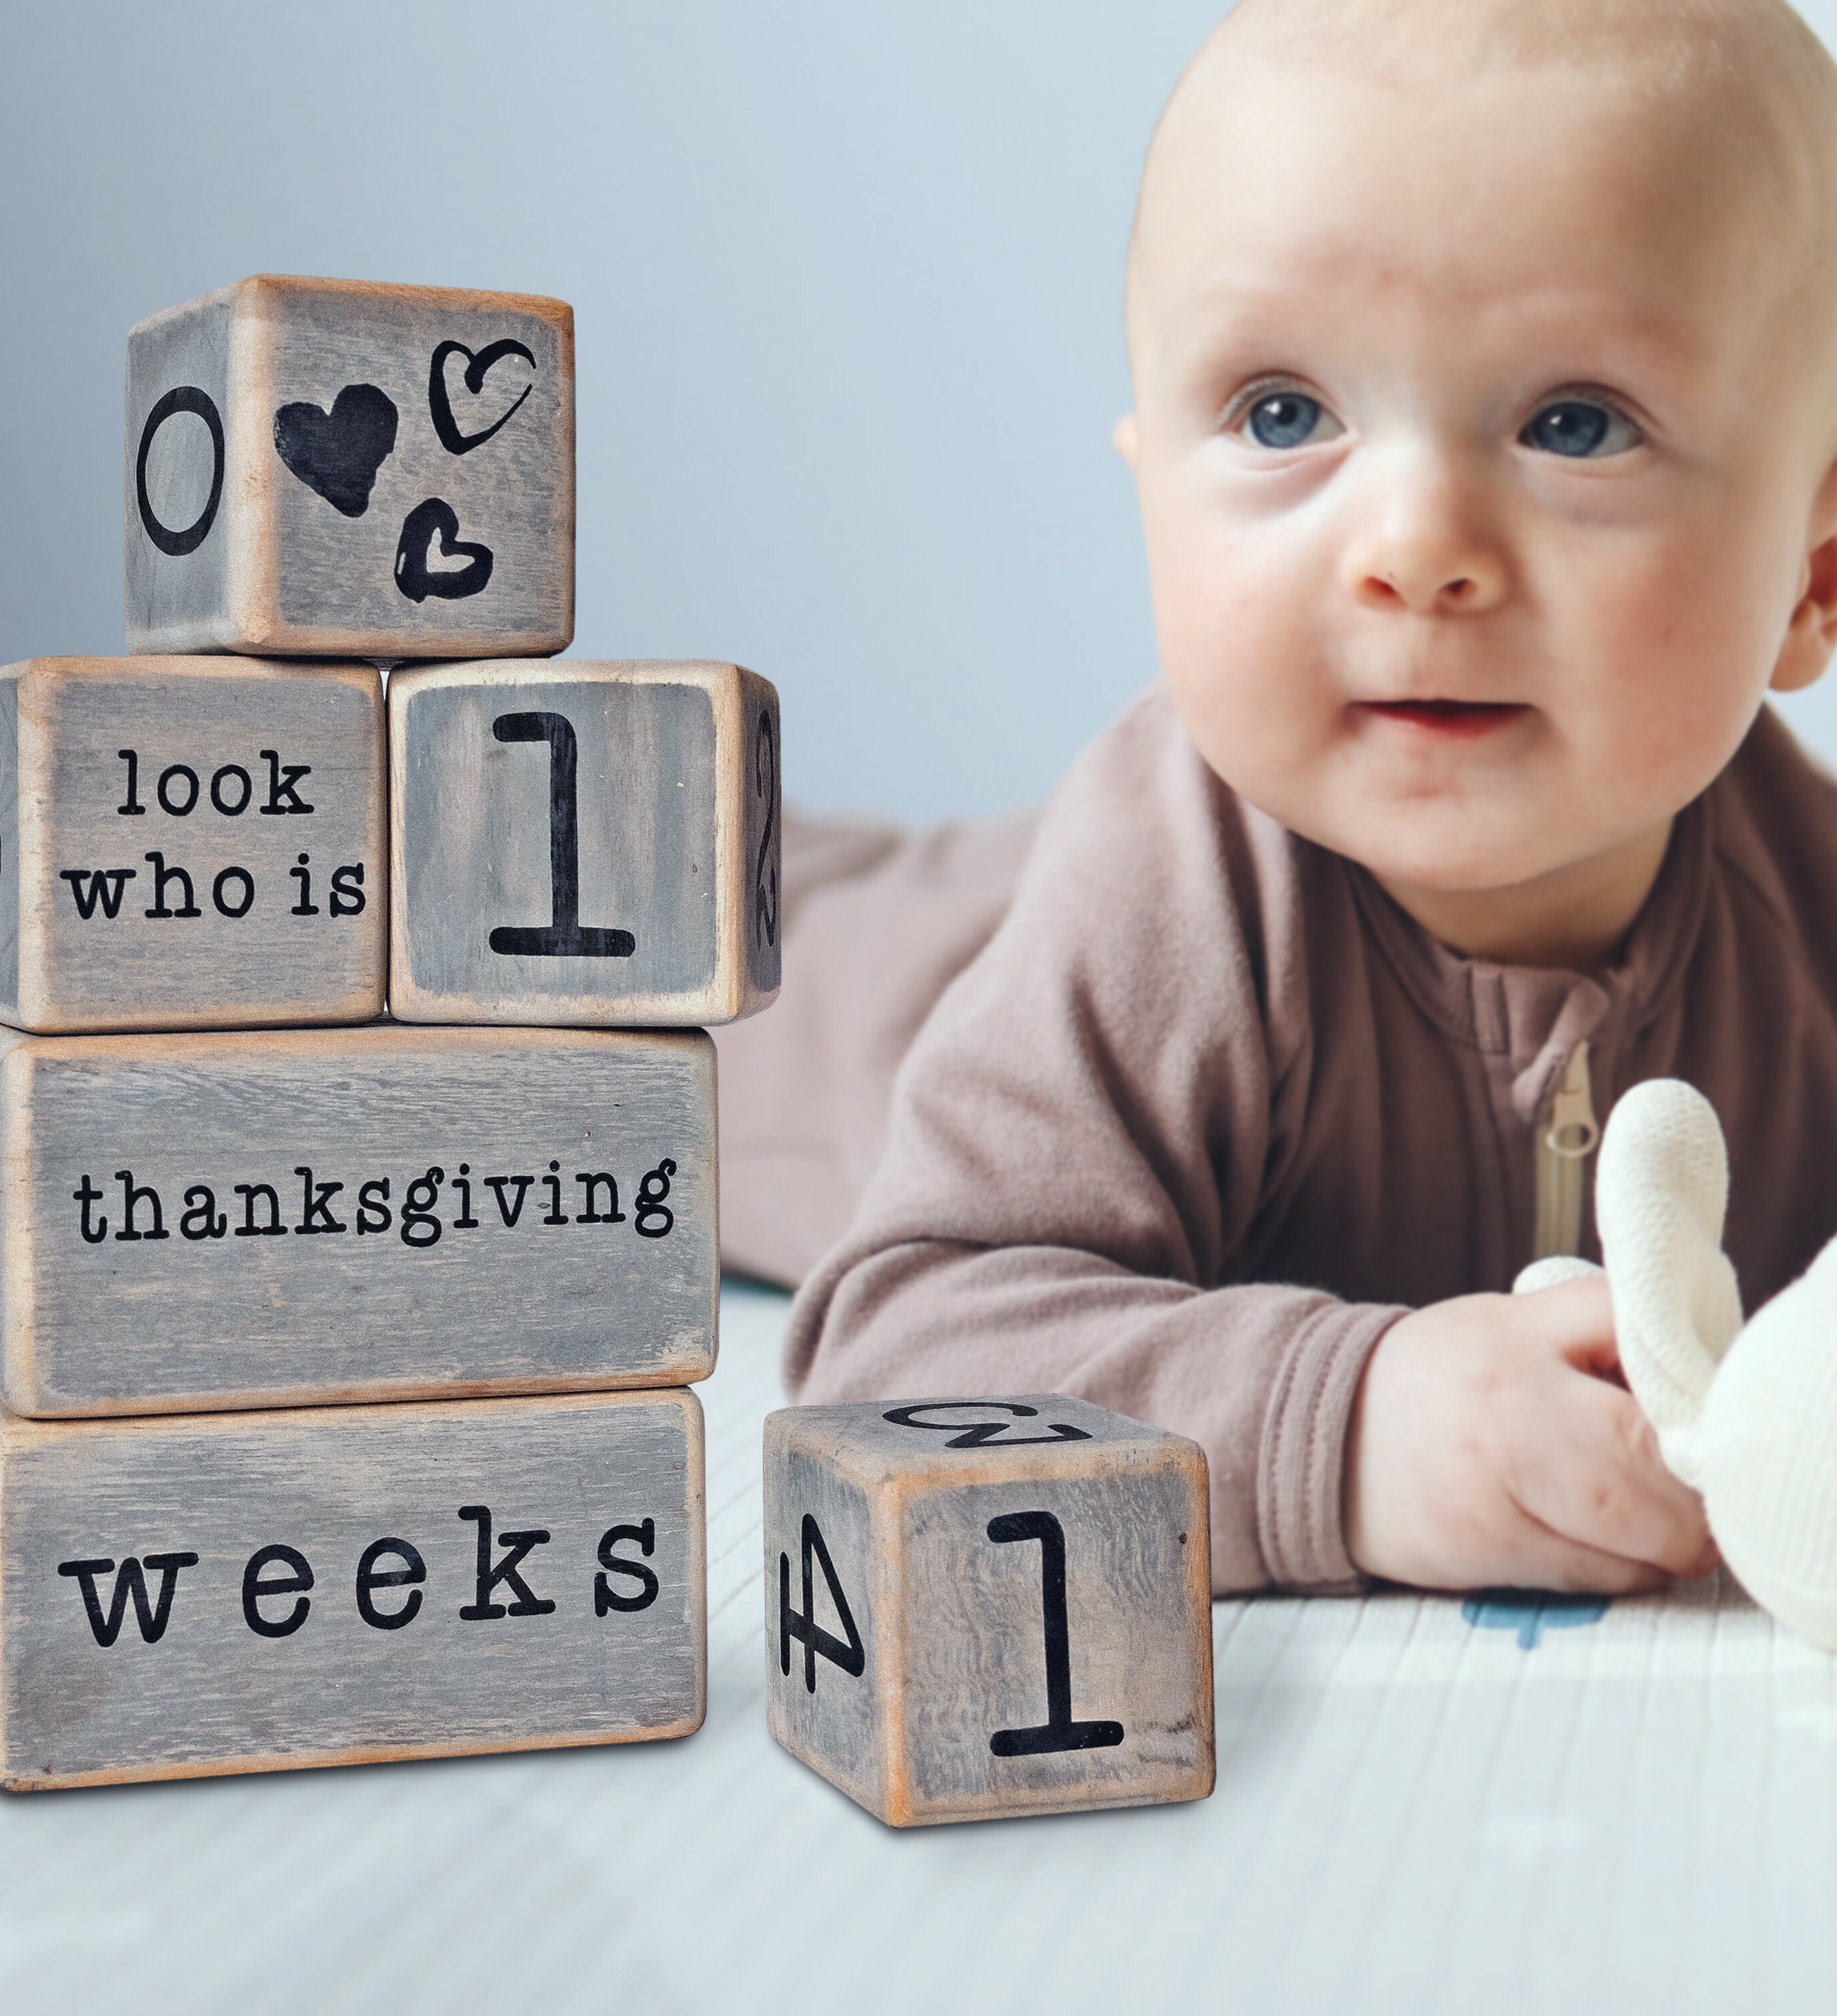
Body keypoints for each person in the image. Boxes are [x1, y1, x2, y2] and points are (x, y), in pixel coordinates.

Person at [714, 0, 1837, 1597]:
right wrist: (1353, 1430)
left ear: (1814, 574)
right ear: (1155, 501)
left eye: (1573, 424)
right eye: (1284, 415)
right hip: (795, 994)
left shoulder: (1808, 907)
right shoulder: (1179, 887)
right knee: (589, 949)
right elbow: (897, 1353)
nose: (1415, 543)